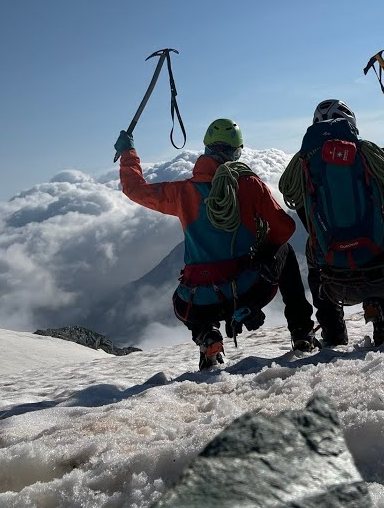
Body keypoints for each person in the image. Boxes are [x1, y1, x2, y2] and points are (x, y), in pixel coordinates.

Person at [116, 118, 319, 369]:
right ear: (236, 152)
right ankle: (301, 333)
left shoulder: (183, 191)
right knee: (285, 251)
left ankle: (207, 334)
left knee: (201, 280)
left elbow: (136, 190)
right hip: (246, 291)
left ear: (206, 149)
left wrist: (128, 153)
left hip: (196, 302)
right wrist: (261, 254)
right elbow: (285, 229)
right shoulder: (249, 184)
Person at [279, 99, 384, 348]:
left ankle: (333, 331)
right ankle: (382, 312)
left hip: (336, 285)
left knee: (314, 249)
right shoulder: (373, 156)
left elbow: (311, 226)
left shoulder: (302, 171)